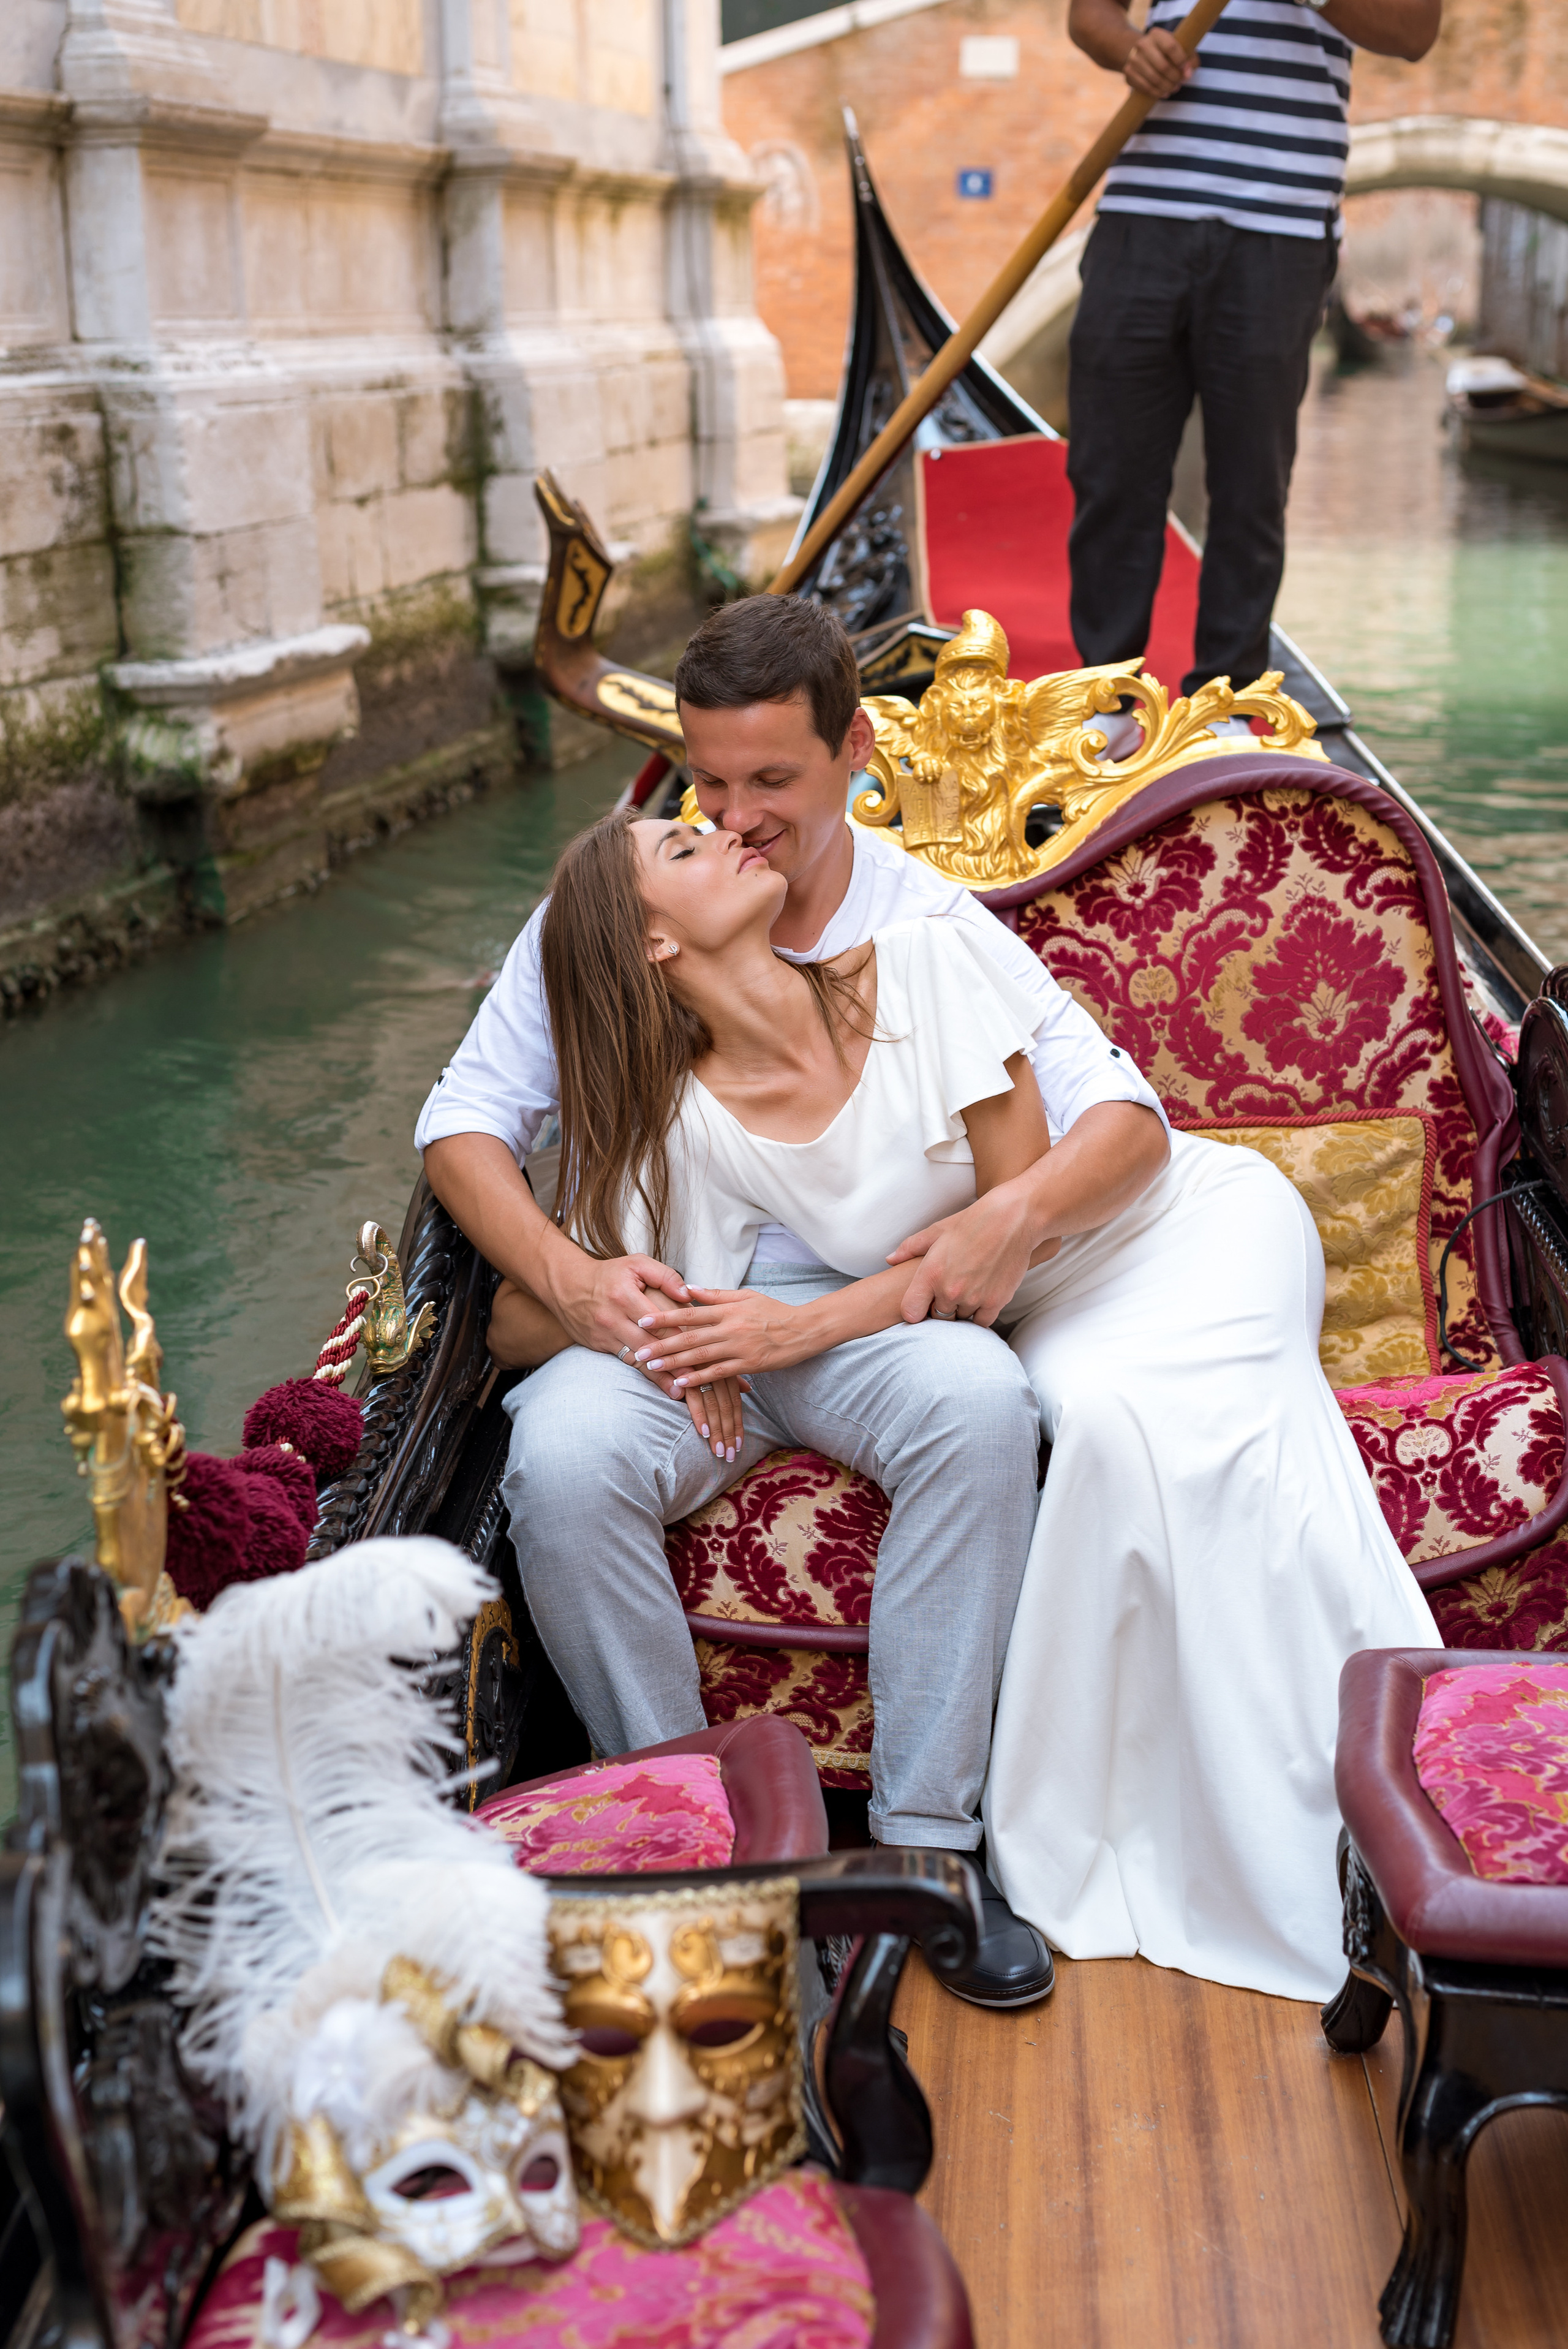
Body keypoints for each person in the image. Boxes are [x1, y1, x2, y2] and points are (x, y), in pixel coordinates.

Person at [416, 593, 1170, 2011]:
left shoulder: (925, 929)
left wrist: (1001, 1216)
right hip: (663, 1307)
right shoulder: (618, 908)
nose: (737, 814)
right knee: (564, 1456)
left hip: (869, 1311)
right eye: (706, 785)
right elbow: (461, 1120)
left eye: (770, 781)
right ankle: (693, 1850)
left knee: (975, 1403)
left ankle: (928, 1851)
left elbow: (1117, 1117)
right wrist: (581, 1286)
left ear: (853, 756)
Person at [1065, 0, 1442, 699]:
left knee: (1250, 484)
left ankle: (1226, 698)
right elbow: (1090, 15)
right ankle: (1104, 696)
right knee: (1109, 467)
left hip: (1283, 222)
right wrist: (1130, 49)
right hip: (1144, 210)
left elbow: (1416, 30)